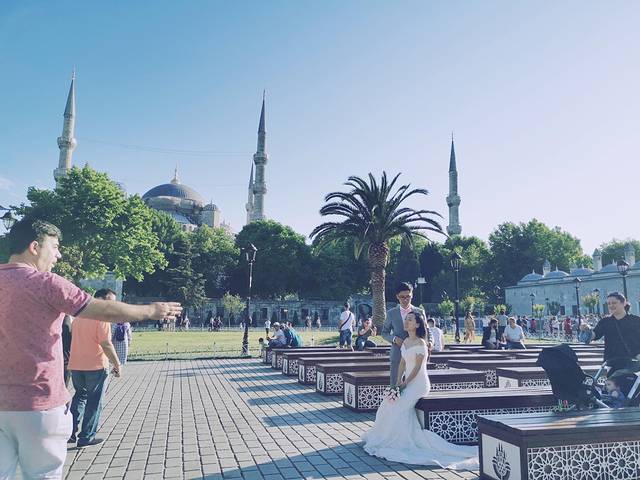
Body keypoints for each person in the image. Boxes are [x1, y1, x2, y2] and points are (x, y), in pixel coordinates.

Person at [0, 218, 181, 480]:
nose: (59, 255)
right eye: (55, 247)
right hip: (38, 404)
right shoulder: (45, 283)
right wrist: (151, 311)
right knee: (42, 475)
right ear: (34, 247)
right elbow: (102, 309)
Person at [362, 311, 477, 469]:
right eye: (406, 319)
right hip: (406, 382)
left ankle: (398, 440)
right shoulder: (405, 341)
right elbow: (403, 363)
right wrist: (397, 381)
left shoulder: (421, 343)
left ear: (417, 324)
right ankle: (385, 436)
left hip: (419, 384)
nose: (406, 322)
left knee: (399, 406)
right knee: (387, 405)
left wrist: (405, 384)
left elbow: (417, 368)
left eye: (410, 320)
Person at [68, 289, 122, 448]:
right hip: (95, 365)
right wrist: (117, 363)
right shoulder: (101, 317)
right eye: (111, 301)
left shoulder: (79, 316)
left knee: (79, 397)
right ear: (102, 300)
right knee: (94, 401)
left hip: (76, 364)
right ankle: (86, 437)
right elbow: (106, 343)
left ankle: (69, 433)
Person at [382, 282, 432, 385]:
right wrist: (394, 339)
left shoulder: (419, 311)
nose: (405, 300)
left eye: (408, 297)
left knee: (415, 382)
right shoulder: (391, 313)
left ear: (412, 295)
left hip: (416, 353)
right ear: (397, 296)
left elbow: (427, 330)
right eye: (402, 297)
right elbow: (384, 332)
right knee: (395, 385)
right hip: (397, 352)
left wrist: (430, 342)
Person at [580, 292, 640, 370]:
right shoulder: (605, 321)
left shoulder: (636, 320)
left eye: (614, 303)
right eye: (608, 303)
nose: (611, 305)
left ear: (624, 303)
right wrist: (587, 329)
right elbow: (594, 335)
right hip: (612, 362)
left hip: (634, 362)